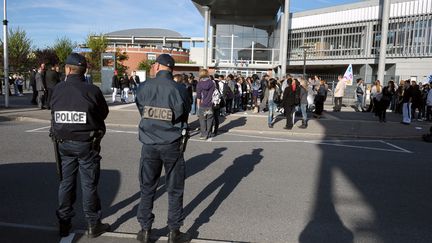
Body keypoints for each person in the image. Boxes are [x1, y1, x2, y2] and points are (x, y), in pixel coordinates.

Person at [50, 53, 110, 238]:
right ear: (84, 71)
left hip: (63, 144)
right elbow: (103, 113)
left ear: (68, 69)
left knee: (66, 183)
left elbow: (52, 110)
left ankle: (64, 223)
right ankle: (93, 224)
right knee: (89, 185)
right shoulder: (92, 90)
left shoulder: (58, 89)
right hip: (86, 144)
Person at [135, 54, 191, 243]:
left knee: (147, 187)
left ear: (158, 66)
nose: (152, 67)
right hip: (171, 144)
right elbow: (184, 113)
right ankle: (174, 231)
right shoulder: (180, 89)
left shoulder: (144, 86)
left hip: (149, 144)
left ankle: (144, 229)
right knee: (174, 189)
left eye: (153, 64)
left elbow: (140, 108)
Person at [196, 69, 216, 140]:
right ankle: (208, 133)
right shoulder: (212, 83)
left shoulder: (199, 84)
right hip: (210, 104)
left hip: (202, 105)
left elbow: (198, 96)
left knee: (202, 120)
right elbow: (214, 93)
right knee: (209, 119)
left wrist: (198, 106)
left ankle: (203, 134)